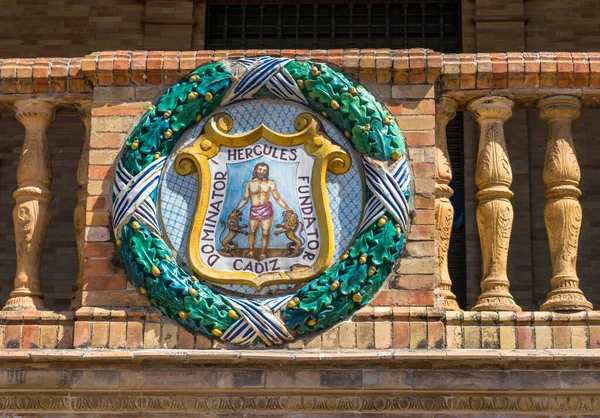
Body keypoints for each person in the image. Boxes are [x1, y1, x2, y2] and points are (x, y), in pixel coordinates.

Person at [234, 162, 291, 260]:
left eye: (264, 170)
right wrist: (236, 209)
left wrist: (287, 208)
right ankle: (251, 250)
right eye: (260, 169)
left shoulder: (271, 183)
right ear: (256, 170)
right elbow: (245, 199)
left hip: (266, 210)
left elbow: (277, 198)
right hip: (254, 211)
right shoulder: (249, 184)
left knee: (265, 232)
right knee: (252, 231)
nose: (262, 172)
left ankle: (263, 252)